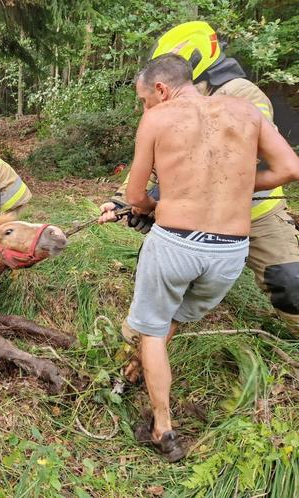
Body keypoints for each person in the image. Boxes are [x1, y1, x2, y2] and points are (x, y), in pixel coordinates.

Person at [101, 54, 299, 462]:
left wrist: (157, 204)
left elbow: (137, 197)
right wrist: (236, 185)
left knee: (152, 332)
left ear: (160, 89)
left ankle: (163, 427)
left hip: (176, 243)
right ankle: (136, 370)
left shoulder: (159, 118)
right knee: (170, 317)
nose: (144, 107)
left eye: (143, 99)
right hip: (228, 253)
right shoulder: (246, 111)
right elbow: (289, 168)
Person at [103, 21, 299, 336]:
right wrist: (124, 201)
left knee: (291, 286)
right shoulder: (172, 107)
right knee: (160, 268)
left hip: (256, 211)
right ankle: (154, 335)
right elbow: (158, 157)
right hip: (198, 216)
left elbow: (249, 161)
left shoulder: (242, 96)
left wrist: (163, 195)